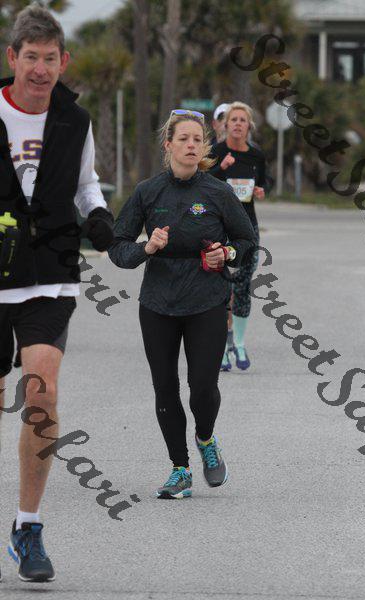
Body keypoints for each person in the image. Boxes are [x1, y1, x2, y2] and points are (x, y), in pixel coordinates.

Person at [0, 6, 114, 583]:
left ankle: (28, 527)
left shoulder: (75, 119)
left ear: (63, 61)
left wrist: (99, 217)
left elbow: (87, 184)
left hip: (50, 273)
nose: (40, 69)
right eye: (31, 57)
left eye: (50, 58)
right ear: (12, 57)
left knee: (41, 393)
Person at [108, 109, 255, 500]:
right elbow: (118, 247)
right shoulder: (147, 192)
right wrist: (146, 248)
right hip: (158, 303)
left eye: (198, 140)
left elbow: (247, 240)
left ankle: (206, 439)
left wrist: (227, 253)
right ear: (168, 144)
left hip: (207, 299)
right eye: (184, 139)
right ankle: (180, 469)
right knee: (165, 388)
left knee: (202, 387)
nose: (191, 145)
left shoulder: (218, 193)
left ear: (204, 147)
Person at [209, 101, 273, 371]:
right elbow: (203, 181)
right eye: (233, 120)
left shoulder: (256, 155)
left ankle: (240, 343)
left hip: (247, 227)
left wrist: (261, 190)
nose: (237, 124)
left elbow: (265, 182)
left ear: (249, 126)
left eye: (242, 120)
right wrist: (221, 168)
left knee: (243, 284)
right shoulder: (216, 152)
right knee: (221, 286)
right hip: (220, 227)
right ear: (225, 125)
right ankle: (221, 347)